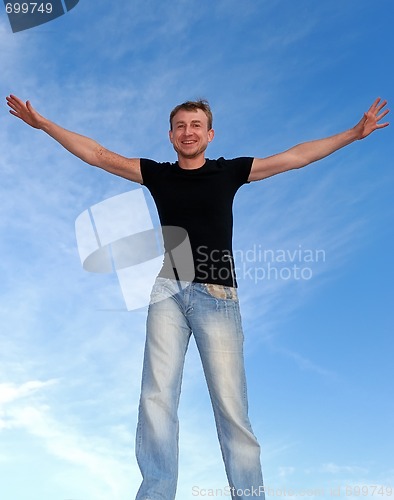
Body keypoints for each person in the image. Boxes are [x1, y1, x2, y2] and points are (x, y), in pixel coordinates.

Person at [6, 94, 389, 500]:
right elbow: (99, 154)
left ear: (209, 134)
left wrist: (353, 134)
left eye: (195, 126)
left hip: (217, 297)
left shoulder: (229, 172)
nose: (188, 132)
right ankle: (155, 493)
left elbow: (294, 157)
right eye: (180, 126)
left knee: (231, 409)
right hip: (167, 292)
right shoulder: (157, 174)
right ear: (171, 136)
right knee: (156, 399)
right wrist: (45, 125)